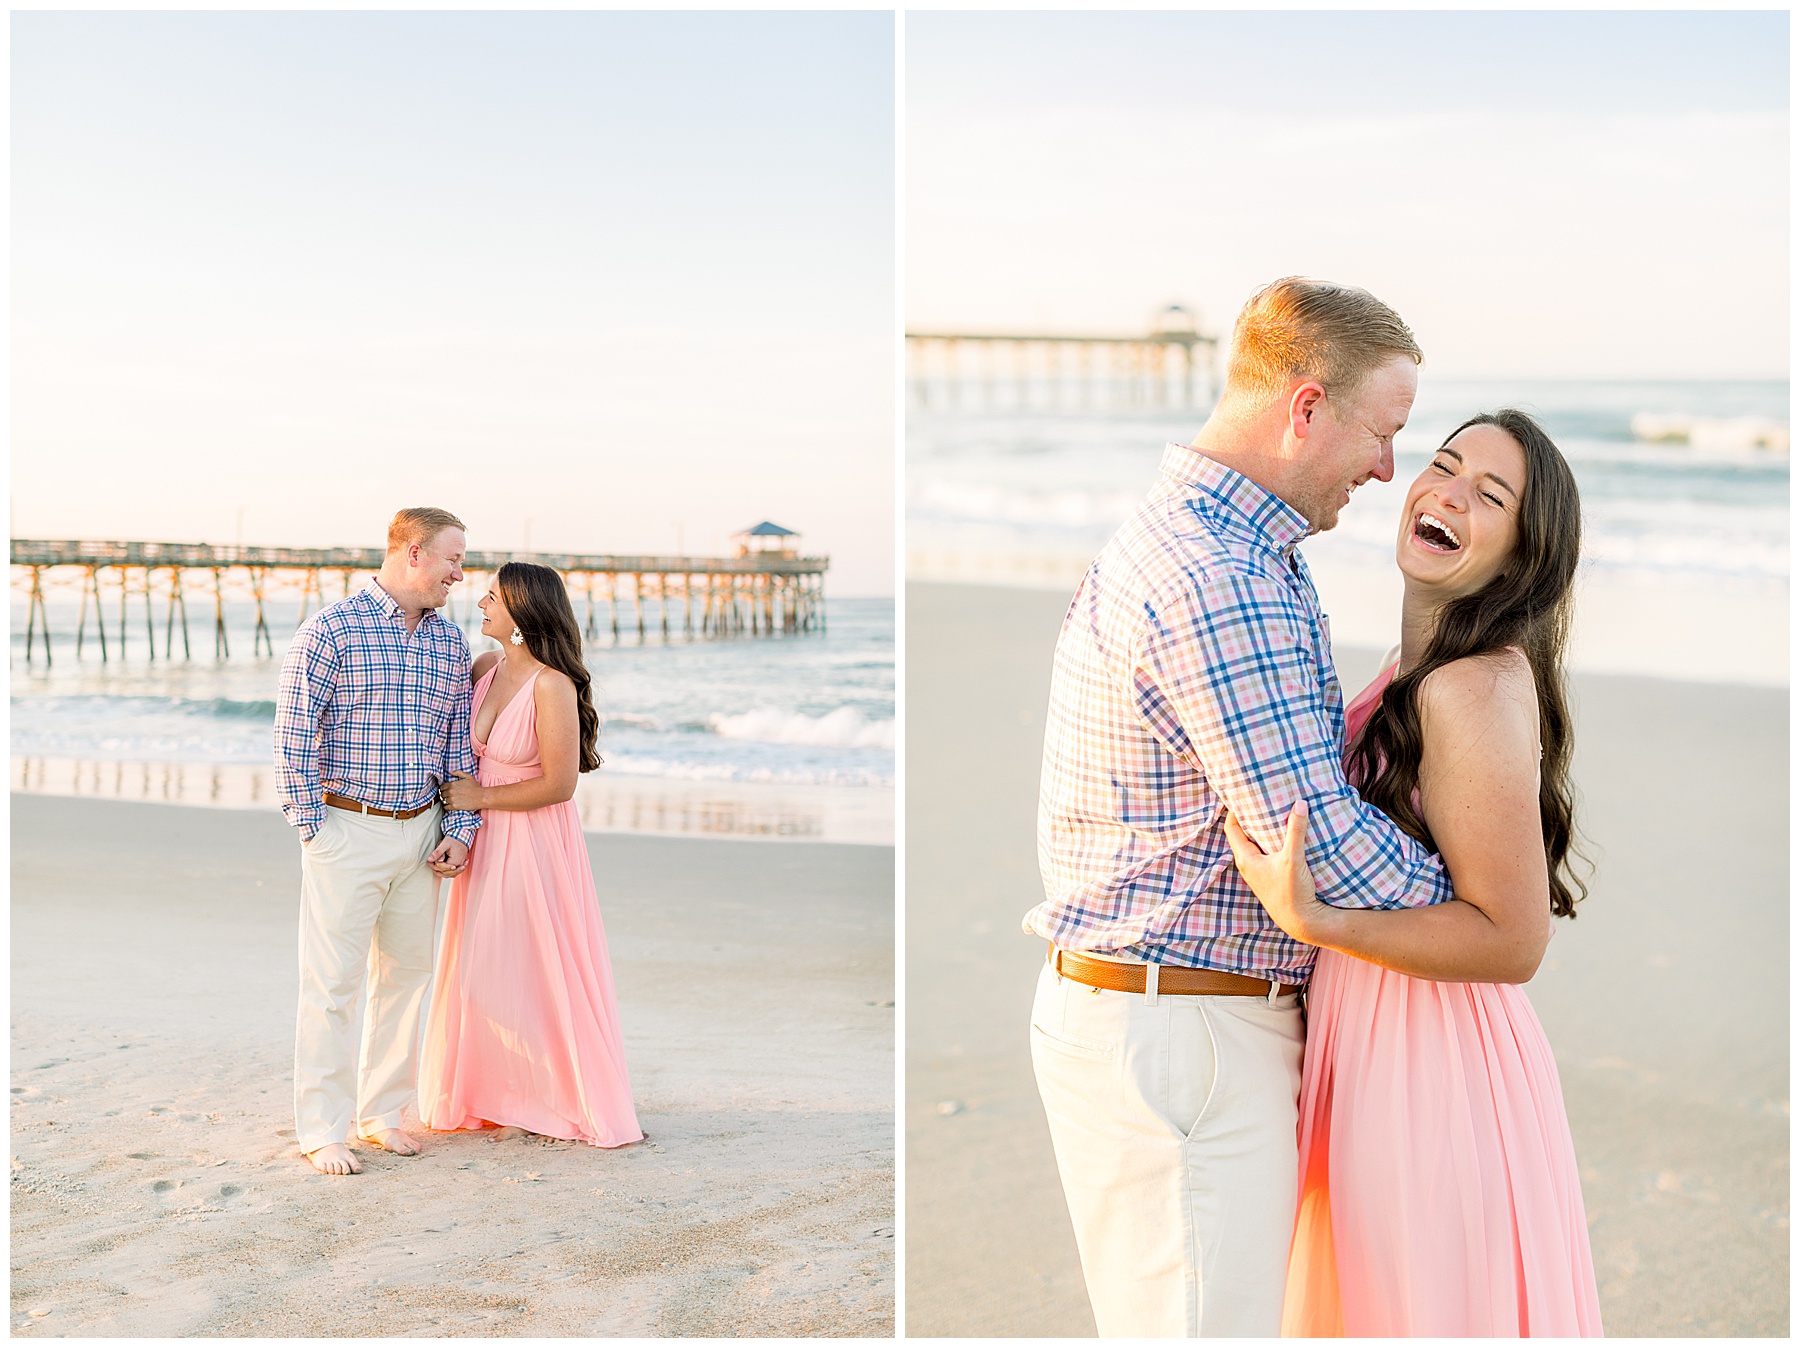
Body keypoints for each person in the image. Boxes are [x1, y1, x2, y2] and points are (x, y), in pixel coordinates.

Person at [1027, 276, 1504, 1336]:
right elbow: (1314, 840)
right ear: (1305, 407)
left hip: (1172, 1019)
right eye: (1384, 432)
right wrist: (1476, 905)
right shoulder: (1219, 574)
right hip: (1182, 1034)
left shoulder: (1219, 543)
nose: (1389, 467)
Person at [1223, 410, 1603, 1336]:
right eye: (1445, 465)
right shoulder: (1415, 667)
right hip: (1379, 1037)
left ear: (1521, 555)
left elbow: (1514, 939)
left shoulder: (1470, 685)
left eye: (1491, 494)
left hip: (1432, 1065)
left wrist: (1320, 923)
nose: (1448, 493)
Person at [274, 506, 480, 1176]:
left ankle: (381, 1114)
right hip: (345, 827)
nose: (461, 571)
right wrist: (312, 827)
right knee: (332, 985)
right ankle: (321, 1128)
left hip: (420, 831)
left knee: (407, 980)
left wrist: (460, 827)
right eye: (453, 558)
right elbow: (294, 737)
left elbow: (457, 748)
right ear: (413, 553)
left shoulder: (450, 644)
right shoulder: (330, 631)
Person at [418, 561, 642, 1148]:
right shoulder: (486, 668)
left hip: (533, 837)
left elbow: (561, 784)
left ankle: (559, 1095)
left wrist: (480, 796)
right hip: (482, 835)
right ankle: (490, 1090)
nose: (480, 603)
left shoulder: (553, 685)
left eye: (491, 596)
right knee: (482, 964)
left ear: (520, 610)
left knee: (538, 962)